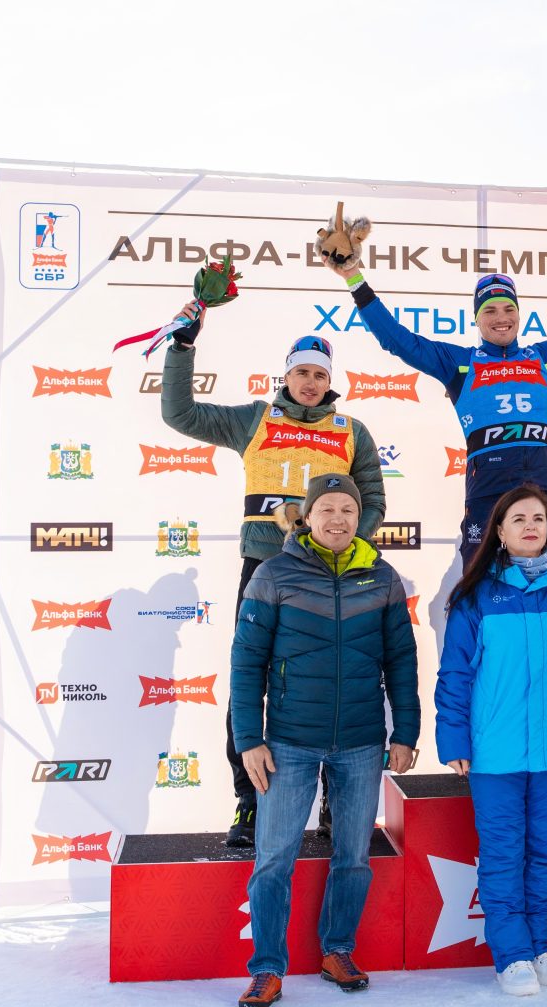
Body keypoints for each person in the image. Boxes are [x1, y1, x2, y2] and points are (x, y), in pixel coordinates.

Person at [161, 307, 386, 847]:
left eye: (320, 374)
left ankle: (336, 798)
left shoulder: (351, 431)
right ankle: (249, 801)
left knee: (335, 680)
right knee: (251, 681)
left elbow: (374, 503)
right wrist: (182, 348)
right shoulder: (256, 420)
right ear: (285, 374)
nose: (311, 383)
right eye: (302, 372)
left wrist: (336, 539)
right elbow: (180, 415)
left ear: (331, 381)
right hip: (264, 568)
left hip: (331, 573)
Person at [323, 244, 547, 559]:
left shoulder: (546, 358)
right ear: (476, 320)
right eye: (489, 311)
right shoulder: (460, 363)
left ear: (519, 315)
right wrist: (355, 279)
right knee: (478, 583)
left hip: (540, 492)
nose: (500, 318)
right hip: (487, 495)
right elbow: (398, 341)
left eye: (509, 309)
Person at [228, 474, 418, 1007]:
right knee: (274, 859)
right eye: (327, 509)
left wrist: (405, 732)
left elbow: (401, 660)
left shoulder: (382, 577)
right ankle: (266, 968)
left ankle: (338, 950)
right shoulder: (273, 573)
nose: (338, 519)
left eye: (348, 510)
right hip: (288, 741)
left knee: (353, 857)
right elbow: (246, 662)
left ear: (360, 519)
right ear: (307, 516)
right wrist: (249, 739)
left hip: (360, 741)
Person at [434, 485, 547, 997]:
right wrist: (454, 739)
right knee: (502, 854)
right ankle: (511, 955)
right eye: (518, 519)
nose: (530, 525)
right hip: (496, 752)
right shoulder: (476, 596)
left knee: (545, 854)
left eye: (538, 517)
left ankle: (540, 947)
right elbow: (455, 674)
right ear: (499, 531)